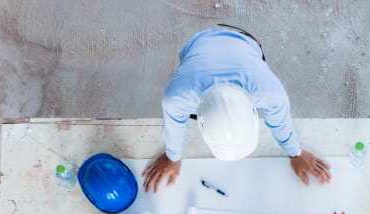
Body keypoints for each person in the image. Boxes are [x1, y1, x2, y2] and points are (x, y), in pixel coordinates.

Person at [142, 27, 332, 193]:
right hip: (198, 44)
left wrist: (296, 153)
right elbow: (174, 128)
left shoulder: (269, 92)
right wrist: (172, 157)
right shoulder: (178, 97)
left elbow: (280, 121)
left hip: (246, 43)